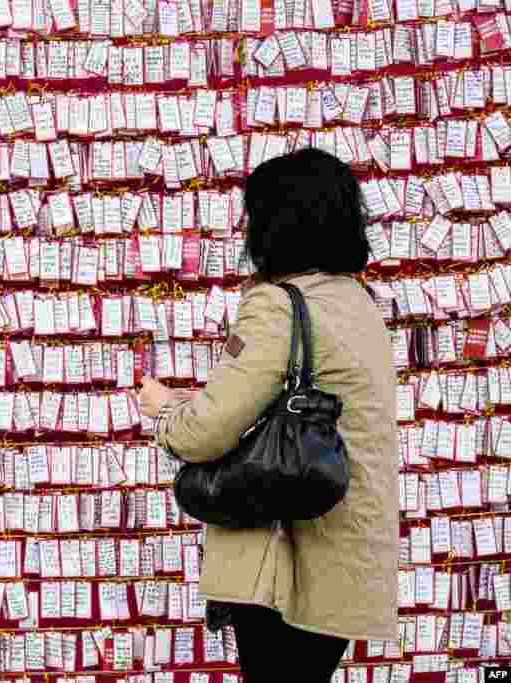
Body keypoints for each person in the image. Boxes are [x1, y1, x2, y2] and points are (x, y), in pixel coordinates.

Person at [139, 148, 399, 683]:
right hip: (346, 559)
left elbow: (207, 430)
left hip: (286, 562)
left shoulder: (278, 305)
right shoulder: (359, 303)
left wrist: (165, 412)